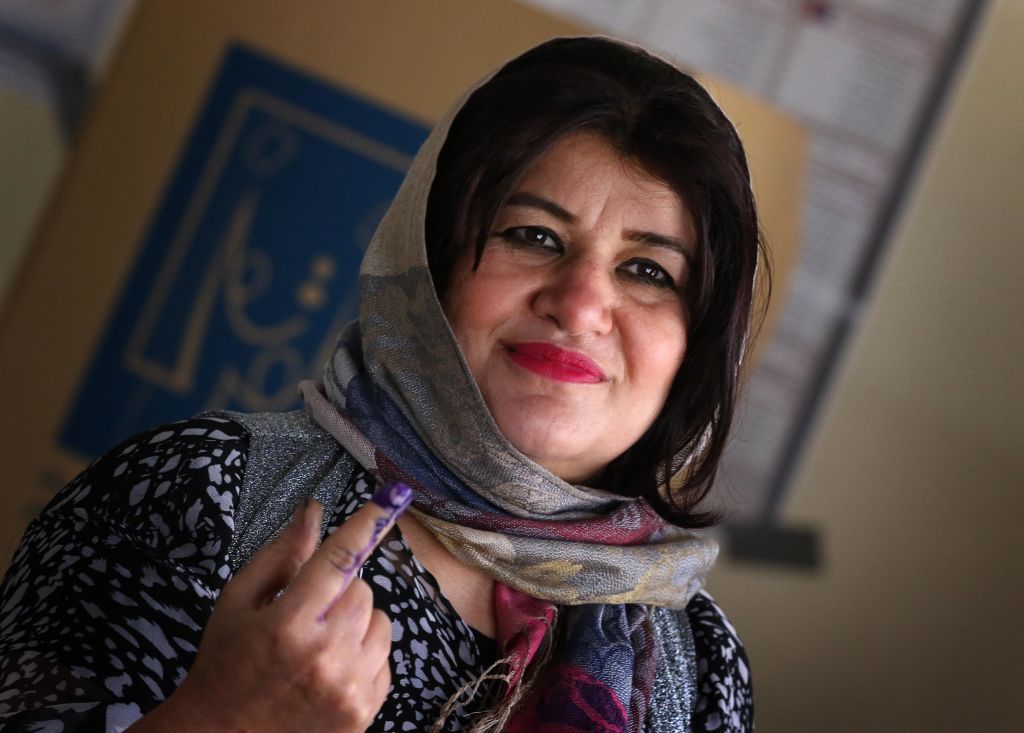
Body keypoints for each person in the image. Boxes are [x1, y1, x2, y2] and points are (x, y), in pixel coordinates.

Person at [0, 36, 761, 732]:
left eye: (647, 270)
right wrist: (218, 718)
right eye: (533, 235)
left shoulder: (700, 663)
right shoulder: (200, 493)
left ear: (698, 345)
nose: (582, 302)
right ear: (424, 262)